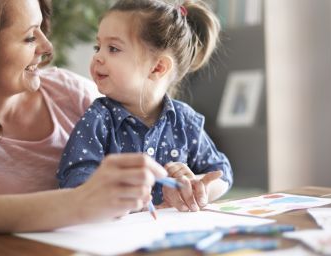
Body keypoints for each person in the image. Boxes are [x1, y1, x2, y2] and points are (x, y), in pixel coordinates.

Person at [0, 0, 169, 245]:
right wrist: (78, 202)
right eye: (30, 37)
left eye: (41, 29)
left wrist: (172, 175)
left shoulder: (72, 95)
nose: (47, 48)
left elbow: (144, 148)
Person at [57, 0, 233, 212]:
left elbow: (222, 173)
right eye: (98, 46)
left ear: (158, 67)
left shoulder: (185, 121)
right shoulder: (98, 119)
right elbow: (74, 179)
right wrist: (114, 192)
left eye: (113, 48)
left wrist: (196, 186)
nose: (97, 57)